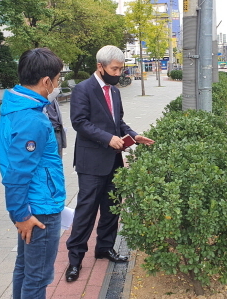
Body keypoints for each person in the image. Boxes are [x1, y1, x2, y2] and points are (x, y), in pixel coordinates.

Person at [65, 45, 154, 282]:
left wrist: (134, 135)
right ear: (100, 66)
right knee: (86, 211)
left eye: (120, 69)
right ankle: (75, 260)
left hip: (113, 161)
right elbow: (79, 122)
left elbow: (118, 122)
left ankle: (104, 247)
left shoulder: (114, 92)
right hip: (91, 162)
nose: (118, 73)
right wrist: (108, 138)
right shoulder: (83, 90)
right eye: (114, 69)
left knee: (111, 208)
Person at [0, 48, 66, 297]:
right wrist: (20, 214)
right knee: (38, 277)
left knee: (25, 269)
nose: (58, 85)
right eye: (58, 79)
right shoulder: (31, 119)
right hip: (40, 208)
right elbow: (17, 173)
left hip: (32, 204)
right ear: (46, 81)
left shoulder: (16, 106)